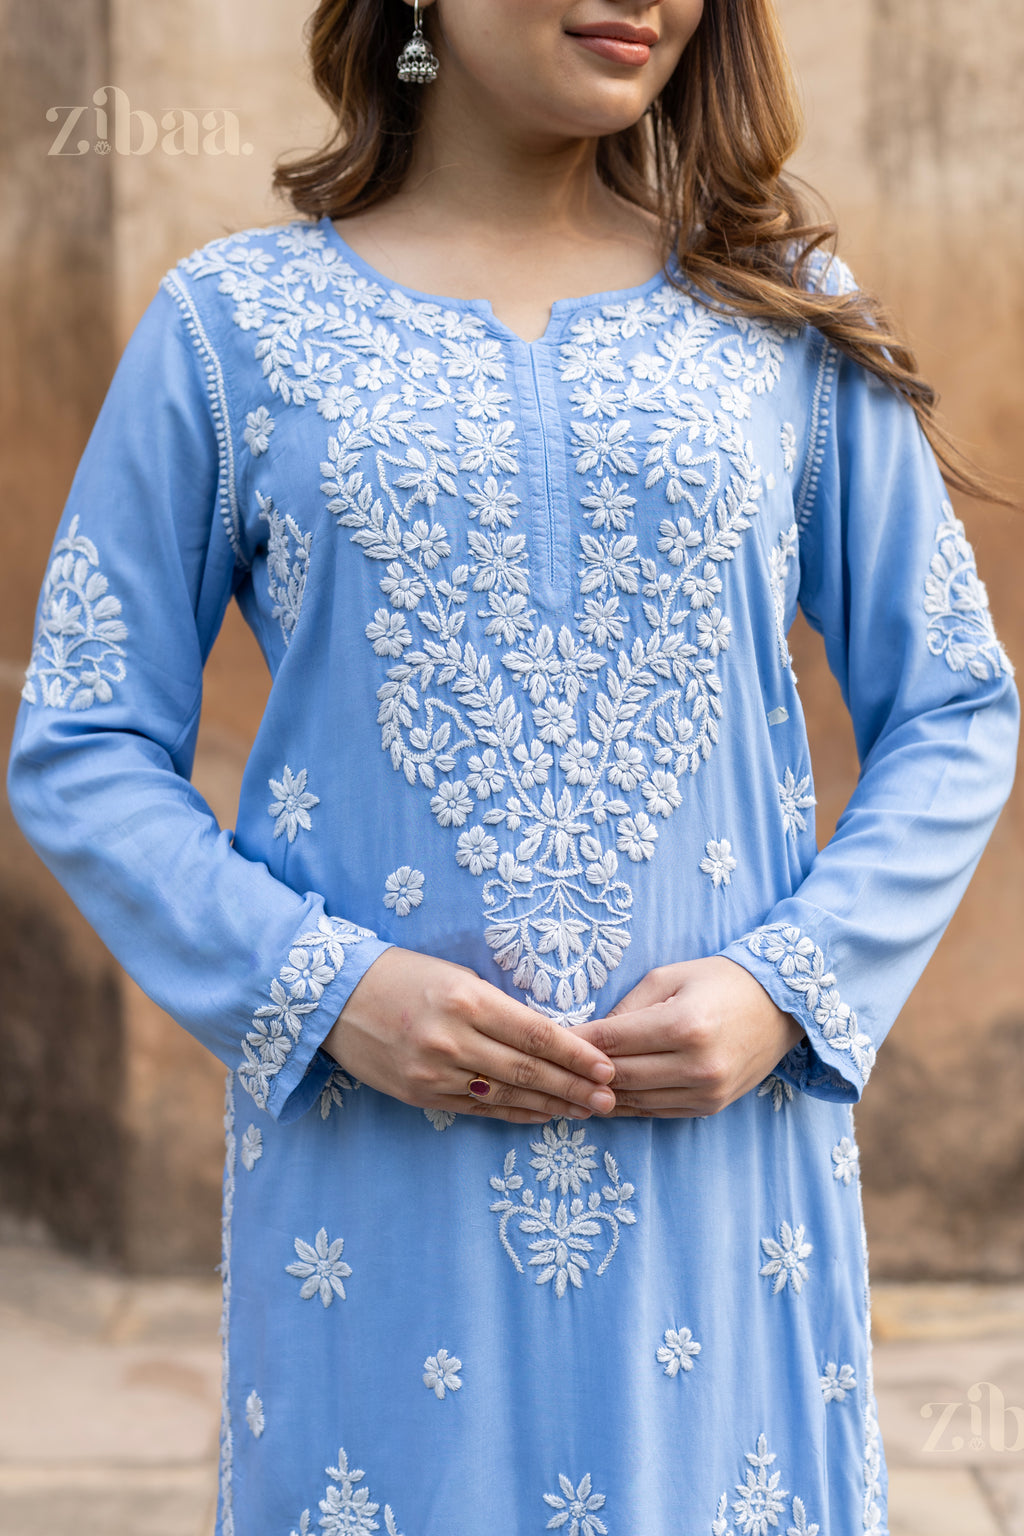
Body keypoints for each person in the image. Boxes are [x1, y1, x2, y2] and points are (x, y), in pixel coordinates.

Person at [8, 0, 1018, 1531]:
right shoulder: (234, 330)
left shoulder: (779, 316)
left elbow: (954, 707)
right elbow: (83, 740)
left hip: (720, 1186)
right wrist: (328, 988)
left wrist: (786, 986)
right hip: (381, 1183)